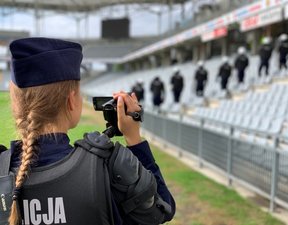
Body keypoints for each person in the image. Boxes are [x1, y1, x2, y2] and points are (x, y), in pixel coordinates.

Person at [1, 38, 175, 225]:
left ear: (17, 104)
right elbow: (162, 209)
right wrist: (134, 138)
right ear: (72, 100)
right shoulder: (109, 170)